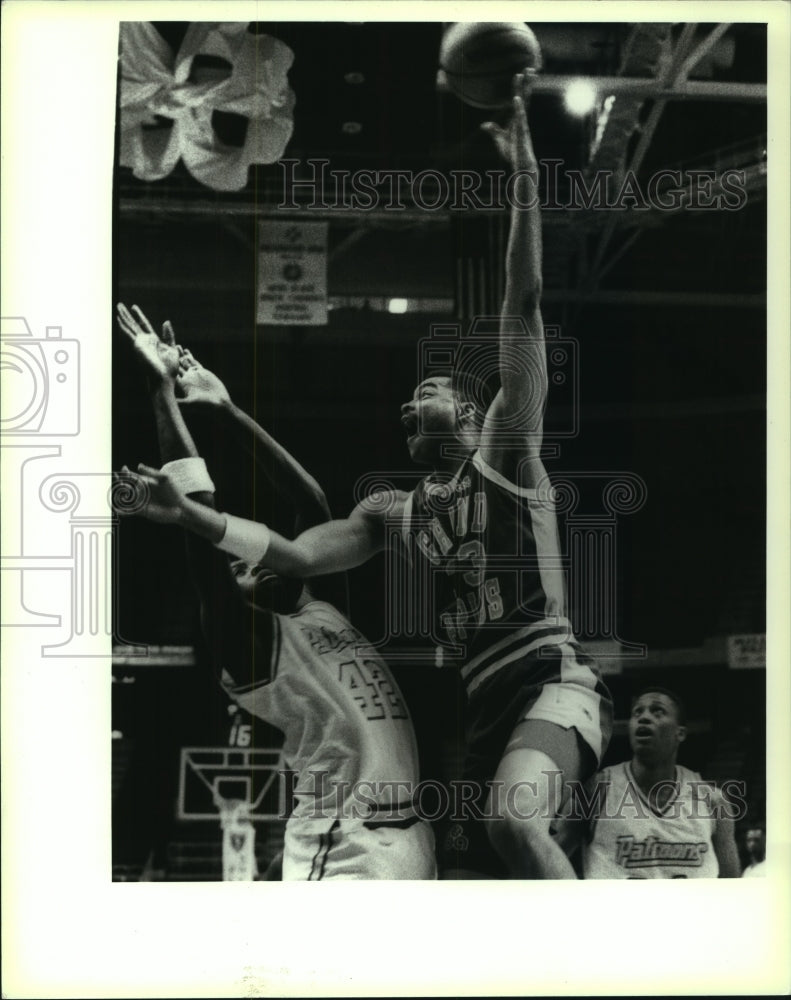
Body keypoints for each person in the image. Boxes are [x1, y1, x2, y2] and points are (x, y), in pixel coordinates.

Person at [128, 73, 613, 878]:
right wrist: (198, 516)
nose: (406, 400)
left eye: (423, 389)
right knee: (495, 861)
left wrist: (523, 168)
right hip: (478, 703)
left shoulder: (506, 453)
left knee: (511, 828)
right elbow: (292, 550)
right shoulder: (391, 511)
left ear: (469, 410)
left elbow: (522, 301)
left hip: (548, 676)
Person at [115, 302, 436, 880]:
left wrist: (229, 409)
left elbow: (311, 505)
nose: (249, 567)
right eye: (235, 569)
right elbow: (204, 534)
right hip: (344, 848)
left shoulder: (318, 606)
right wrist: (159, 391)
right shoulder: (253, 645)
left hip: (410, 835)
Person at [568, 688, 741, 878]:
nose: (644, 718)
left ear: (680, 733)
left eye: (657, 712)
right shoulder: (597, 789)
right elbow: (553, 856)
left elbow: (731, 883)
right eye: (637, 712)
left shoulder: (713, 801)